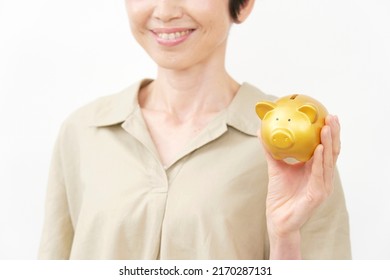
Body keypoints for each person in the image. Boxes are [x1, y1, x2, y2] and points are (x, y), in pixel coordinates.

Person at [38, 0, 351, 259]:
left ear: (243, 6)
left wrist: (285, 237)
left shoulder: (296, 146)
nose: (164, 11)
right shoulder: (83, 131)